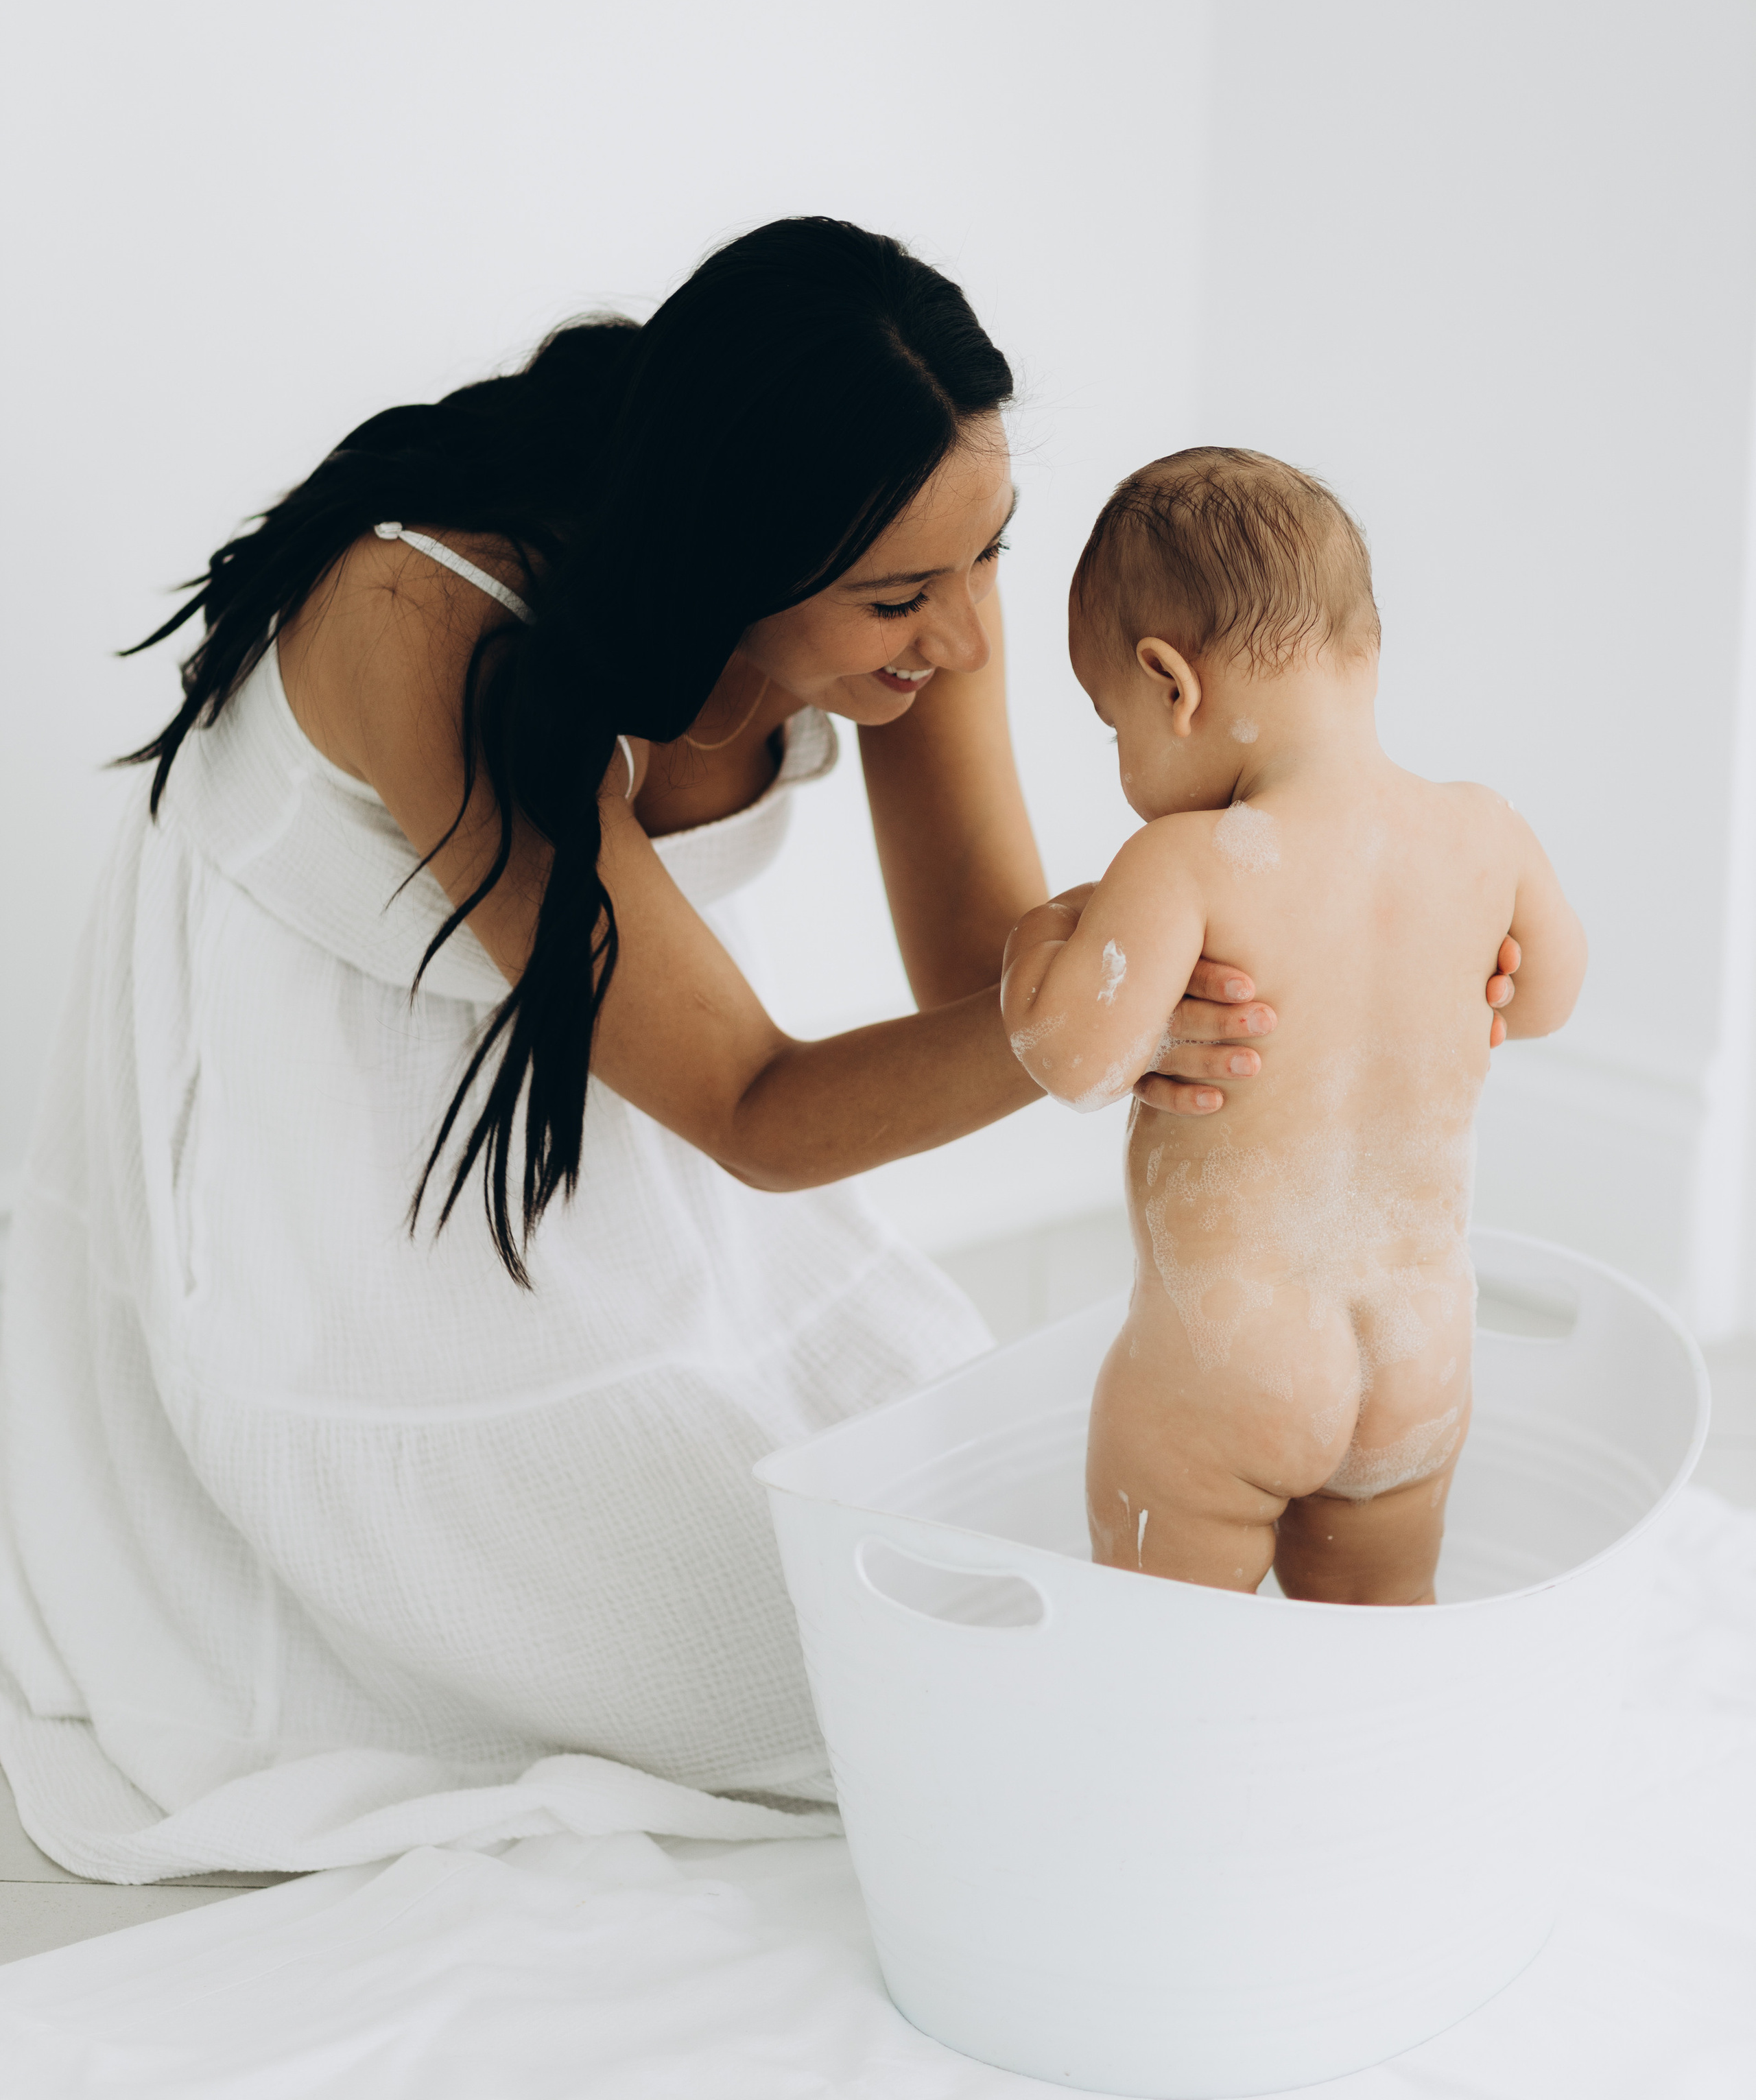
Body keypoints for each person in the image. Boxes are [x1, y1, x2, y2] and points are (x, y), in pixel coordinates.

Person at [0, 222, 1294, 1883]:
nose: (970, 635)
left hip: (609, 1092)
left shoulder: (907, 546)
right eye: (902, 598)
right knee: (795, 1662)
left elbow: (981, 968)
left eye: (992, 556)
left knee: (968, 1532)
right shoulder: (430, 617)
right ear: (721, 569)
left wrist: (1258, 904)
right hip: (329, 1133)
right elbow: (759, 1106)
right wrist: (1090, 1014)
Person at [1001, 447, 1581, 1605]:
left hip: (1229, 1370)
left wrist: (1037, 945)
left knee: (1170, 1650)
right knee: (1375, 1642)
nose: (1123, 759)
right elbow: (1548, 997)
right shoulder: (1483, 833)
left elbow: (1075, 1060)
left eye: (1113, 726)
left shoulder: (1187, 862)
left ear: (1173, 686)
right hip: (1421, 1357)